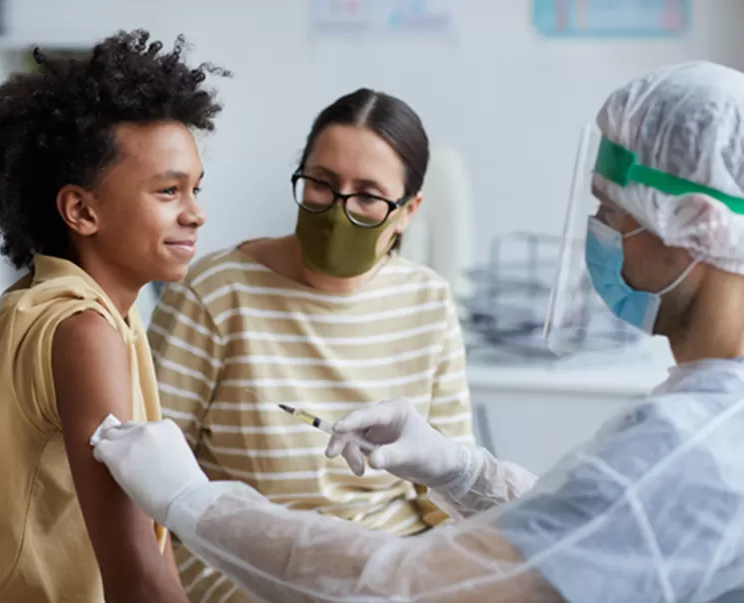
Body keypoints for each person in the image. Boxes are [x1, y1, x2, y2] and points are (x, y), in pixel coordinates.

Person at [93, 60, 744, 602]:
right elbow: (578, 525)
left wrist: (190, 499)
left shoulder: (696, 448)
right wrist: (457, 468)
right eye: (320, 183)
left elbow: (408, 584)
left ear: (694, 225)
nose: (596, 235)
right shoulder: (708, 420)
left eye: (609, 212)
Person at [0, 30, 228, 603]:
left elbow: (142, 542)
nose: (197, 214)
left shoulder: (55, 302)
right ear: (81, 210)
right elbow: (135, 576)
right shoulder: (82, 332)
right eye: (168, 191)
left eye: (195, 189)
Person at [147, 88, 476, 601]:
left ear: (408, 211)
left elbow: (446, 496)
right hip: (245, 568)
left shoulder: (427, 302)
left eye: (368, 196)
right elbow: (151, 479)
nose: (338, 210)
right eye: (322, 184)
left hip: (391, 570)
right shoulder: (214, 295)